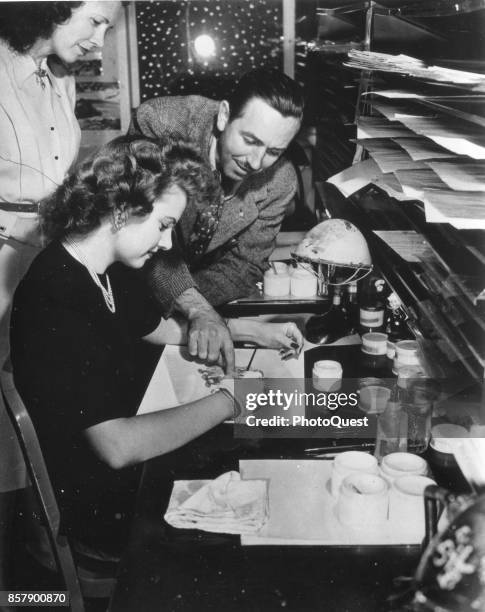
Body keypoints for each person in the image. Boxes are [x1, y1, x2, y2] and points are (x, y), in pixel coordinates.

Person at [10, 136, 303, 556]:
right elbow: (118, 447)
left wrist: (254, 332)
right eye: (164, 226)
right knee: (269, 508)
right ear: (122, 209)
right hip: (100, 505)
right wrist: (233, 399)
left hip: (124, 473)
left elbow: (159, 328)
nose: (167, 245)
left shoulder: (104, 268)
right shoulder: (55, 293)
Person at [0, 0, 120, 584]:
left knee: (30, 421)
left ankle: (37, 558)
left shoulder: (61, 78)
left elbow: (56, 177)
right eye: (94, 21)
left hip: (38, 260)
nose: (100, 38)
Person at [130, 68, 304, 371]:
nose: (255, 162)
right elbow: (143, 233)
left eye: (274, 151)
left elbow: (244, 265)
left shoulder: (281, 180)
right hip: (128, 284)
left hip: (179, 309)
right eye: (249, 139)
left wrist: (197, 313)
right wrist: (196, 309)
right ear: (224, 115)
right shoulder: (160, 125)